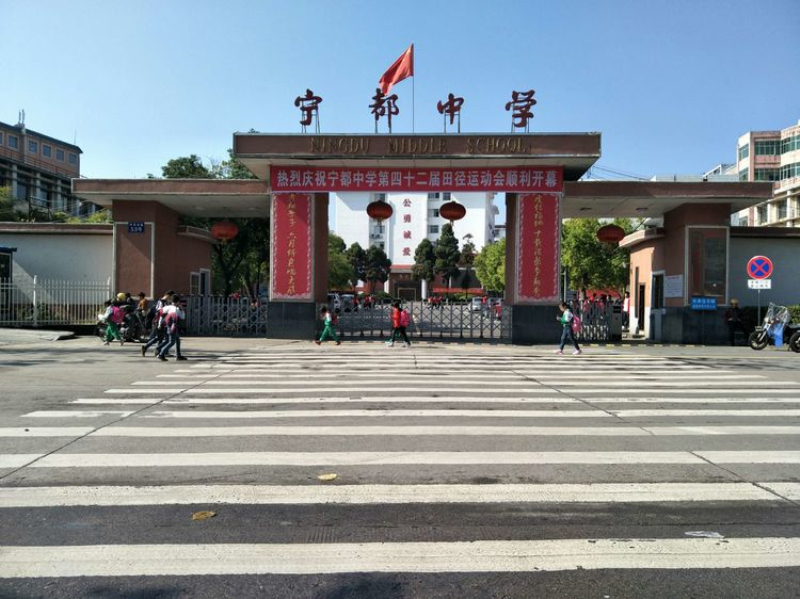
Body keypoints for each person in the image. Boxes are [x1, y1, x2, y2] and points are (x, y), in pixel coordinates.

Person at [141, 290, 174, 356]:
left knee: (160, 338)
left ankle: (156, 350)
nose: (171, 298)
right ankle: (159, 350)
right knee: (164, 338)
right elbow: (160, 312)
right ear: (168, 295)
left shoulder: (164, 301)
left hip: (162, 322)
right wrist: (160, 323)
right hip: (159, 322)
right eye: (171, 297)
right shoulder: (161, 302)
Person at [156, 294, 187, 361]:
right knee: (172, 342)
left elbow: (160, 313)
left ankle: (178, 355)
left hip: (166, 325)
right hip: (173, 326)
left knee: (177, 340)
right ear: (178, 302)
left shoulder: (167, 307)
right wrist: (182, 310)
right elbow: (182, 317)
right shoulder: (176, 309)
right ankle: (161, 354)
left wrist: (159, 323)